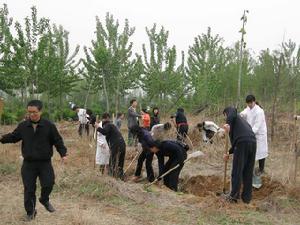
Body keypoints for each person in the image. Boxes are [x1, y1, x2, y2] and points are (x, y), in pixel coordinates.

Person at [0, 100, 67, 221]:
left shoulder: (49, 125)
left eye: (34, 112)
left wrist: (63, 153)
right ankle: (30, 212)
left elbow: (57, 140)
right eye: (29, 112)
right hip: (28, 164)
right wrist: (2, 138)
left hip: (44, 163)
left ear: (40, 111)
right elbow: (14, 137)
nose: (31, 115)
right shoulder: (23, 126)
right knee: (29, 189)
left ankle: (44, 199)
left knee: (48, 184)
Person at [223, 106, 256, 204]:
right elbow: (238, 141)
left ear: (226, 113)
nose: (226, 117)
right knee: (248, 171)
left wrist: (227, 123)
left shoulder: (232, 114)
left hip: (242, 143)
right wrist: (229, 152)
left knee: (237, 170)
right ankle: (246, 198)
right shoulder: (243, 123)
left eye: (225, 115)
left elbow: (232, 110)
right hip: (252, 143)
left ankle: (233, 197)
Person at [240, 95, 268, 175]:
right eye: (248, 103)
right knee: (252, 152)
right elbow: (244, 112)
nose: (249, 105)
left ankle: (261, 170)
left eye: (250, 103)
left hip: (259, 134)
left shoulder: (259, 111)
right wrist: (239, 115)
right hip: (251, 132)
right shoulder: (248, 108)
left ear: (254, 102)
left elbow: (257, 126)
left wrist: (248, 134)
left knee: (261, 152)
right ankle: (249, 169)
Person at [96, 113, 126, 180]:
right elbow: (108, 137)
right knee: (120, 162)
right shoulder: (112, 127)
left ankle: (111, 178)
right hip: (122, 144)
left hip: (117, 145)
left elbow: (104, 132)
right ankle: (121, 177)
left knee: (112, 161)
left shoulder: (108, 124)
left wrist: (98, 127)